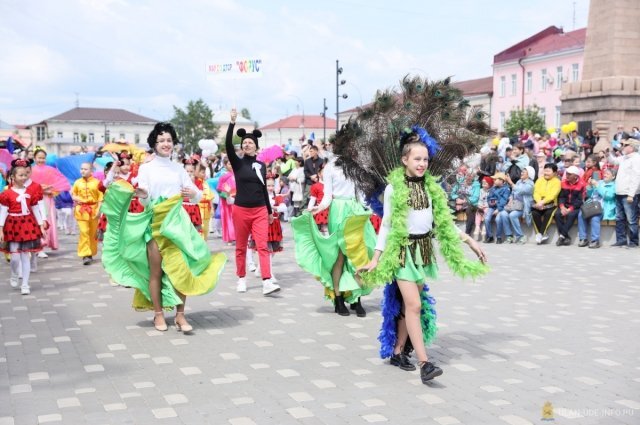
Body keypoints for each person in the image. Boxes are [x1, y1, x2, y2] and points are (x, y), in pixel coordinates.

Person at [358, 127, 488, 384]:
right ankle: (425, 363)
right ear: (405, 160)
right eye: (417, 159)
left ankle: (397, 351)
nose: (422, 164)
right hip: (402, 252)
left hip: (423, 251)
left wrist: (469, 239)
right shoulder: (394, 189)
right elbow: (387, 225)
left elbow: (441, 221)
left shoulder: (431, 188)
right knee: (415, 305)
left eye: (426, 159)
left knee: (410, 307)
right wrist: (376, 258)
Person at [100, 122, 226, 333]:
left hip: (177, 224)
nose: (166, 144)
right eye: (161, 140)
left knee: (182, 269)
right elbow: (144, 199)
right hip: (156, 224)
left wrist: (191, 194)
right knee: (156, 271)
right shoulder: (146, 168)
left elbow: (197, 196)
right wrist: (143, 194)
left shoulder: (178, 169)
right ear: (154, 144)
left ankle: (180, 315)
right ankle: (159, 315)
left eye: (169, 140)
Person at [293, 156, 376, 317]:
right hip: (338, 210)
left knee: (357, 255)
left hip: (355, 211)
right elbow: (327, 195)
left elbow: (361, 193)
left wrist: (370, 209)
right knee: (338, 256)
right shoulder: (331, 165)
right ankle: (338, 298)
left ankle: (356, 299)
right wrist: (318, 208)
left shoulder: (359, 163)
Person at [226, 109, 280, 295]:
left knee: (262, 246)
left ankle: (267, 281)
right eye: (245, 142)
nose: (247, 144)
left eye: (250, 142)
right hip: (241, 210)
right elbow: (227, 144)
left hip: (259, 211)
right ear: (241, 146)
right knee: (241, 246)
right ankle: (241, 278)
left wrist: (269, 211)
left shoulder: (261, 165)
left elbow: (264, 188)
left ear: (256, 146)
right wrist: (232, 123)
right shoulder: (237, 162)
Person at [0, 159, 46, 295]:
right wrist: (0, 228)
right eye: (20, 175)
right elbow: (3, 211)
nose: (24, 177)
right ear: (13, 177)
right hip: (13, 224)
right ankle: (14, 273)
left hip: (27, 223)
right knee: (14, 257)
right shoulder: (6, 194)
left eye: (25, 174)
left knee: (26, 256)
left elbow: (36, 208)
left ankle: (25, 284)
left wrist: (41, 225)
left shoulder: (31, 192)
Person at [608, 138, 640, 247]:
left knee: (631, 219)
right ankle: (621, 239)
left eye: (625, 145)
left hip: (629, 194)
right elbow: (613, 161)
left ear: (631, 147)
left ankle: (633, 242)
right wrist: (609, 152)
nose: (622, 146)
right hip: (619, 192)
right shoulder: (625, 158)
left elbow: (636, 177)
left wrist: (632, 194)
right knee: (619, 218)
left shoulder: (636, 159)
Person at [71, 162, 103, 265]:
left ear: (91, 171)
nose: (83, 171)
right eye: (81, 169)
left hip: (93, 210)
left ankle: (91, 252)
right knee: (84, 231)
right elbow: (73, 194)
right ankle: (85, 254)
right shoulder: (77, 182)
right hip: (81, 210)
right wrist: (76, 198)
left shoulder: (97, 183)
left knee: (92, 233)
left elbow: (100, 198)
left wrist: (99, 209)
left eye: (85, 169)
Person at [577, 168, 617, 249]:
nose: (605, 175)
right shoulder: (599, 182)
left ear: (613, 177)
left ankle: (595, 240)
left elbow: (608, 196)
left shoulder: (614, 185)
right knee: (581, 214)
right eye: (605, 173)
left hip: (603, 208)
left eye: (608, 174)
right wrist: (590, 186)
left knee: (595, 217)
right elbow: (590, 194)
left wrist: (597, 186)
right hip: (592, 205)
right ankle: (583, 238)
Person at [501, 166, 535, 244]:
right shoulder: (519, 181)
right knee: (503, 214)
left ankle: (520, 236)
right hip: (514, 205)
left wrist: (511, 182)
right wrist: (510, 199)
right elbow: (513, 192)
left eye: (524, 172)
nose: (521, 173)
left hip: (523, 207)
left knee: (512, 215)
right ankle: (509, 235)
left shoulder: (530, 184)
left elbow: (520, 191)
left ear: (529, 174)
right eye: (522, 171)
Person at [531, 163, 561, 244]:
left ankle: (540, 234)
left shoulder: (557, 182)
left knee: (548, 214)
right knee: (534, 213)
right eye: (545, 171)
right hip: (539, 203)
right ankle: (543, 234)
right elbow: (536, 192)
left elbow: (553, 195)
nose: (546, 173)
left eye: (549, 171)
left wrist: (543, 202)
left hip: (551, 204)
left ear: (554, 173)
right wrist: (539, 202)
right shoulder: (539, 180)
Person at [483, 172, 511, 244]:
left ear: (501, 181)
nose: (494, 180)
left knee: (498, 219)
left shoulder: (506, 189)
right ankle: (490, 236)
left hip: (500, 208)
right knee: (486, 219)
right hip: (492, 207)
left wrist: (498, 209)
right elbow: (489, 198)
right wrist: (490, 202)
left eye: (495, 179)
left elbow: (504, 200)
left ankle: (499, 237)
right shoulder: (493, 188)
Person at [216, 158, 236, 244]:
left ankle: (237, 236)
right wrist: (226, 195)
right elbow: (219, 189)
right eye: (229, 164)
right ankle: (230, 237)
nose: (231, 166)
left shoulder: (238, 174)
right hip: (226, 202)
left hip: (237, 200)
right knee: (228, 219)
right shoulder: (223, 176)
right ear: (225, 165)